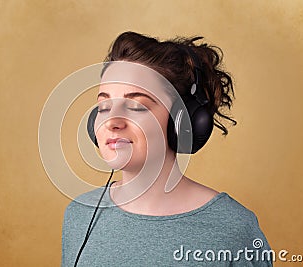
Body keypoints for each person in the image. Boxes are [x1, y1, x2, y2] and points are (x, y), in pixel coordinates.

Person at [61, 31, 273, 266]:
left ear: (181, 123)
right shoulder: (79, 215)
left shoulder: (233, 229)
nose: (113, 121)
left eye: (135, 106)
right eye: (104, 106)